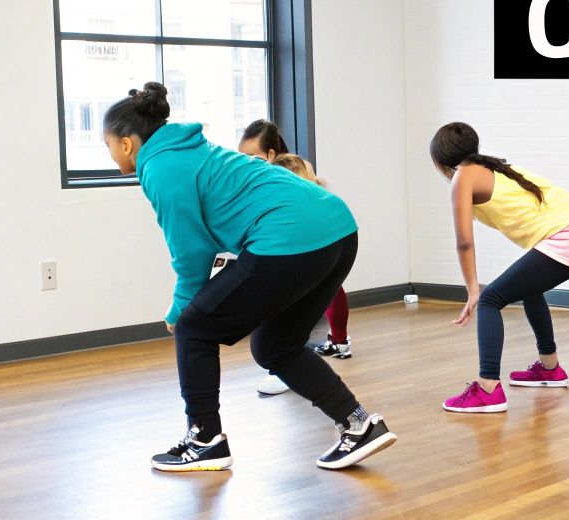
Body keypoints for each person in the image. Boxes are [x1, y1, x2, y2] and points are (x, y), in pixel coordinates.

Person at [106, 84, 395, 471]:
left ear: (125, 144)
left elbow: (191, 251)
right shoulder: (190, 150)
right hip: (338, 229)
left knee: (193, 327)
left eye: (107, 144)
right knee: (276, 346)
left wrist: (181, 309)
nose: (109, 154)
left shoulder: (159, 167)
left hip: (287, 237)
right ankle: (359, 425)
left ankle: (205, 438)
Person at [430, 122, 569, 414]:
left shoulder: (463, 176)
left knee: (491, 299)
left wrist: (473, 290)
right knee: (531, 289)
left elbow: (464, 243)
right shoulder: (496, 168)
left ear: (439, 161)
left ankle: (488, 387)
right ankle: (549, 368)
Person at [239, 119, 352, 362]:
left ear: (270, 154)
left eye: (252, 156)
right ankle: (336, 342)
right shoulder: (281, 171)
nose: (245, 163)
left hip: (313, 243)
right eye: (241, 157)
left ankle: (306, 350)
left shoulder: (287, 171)